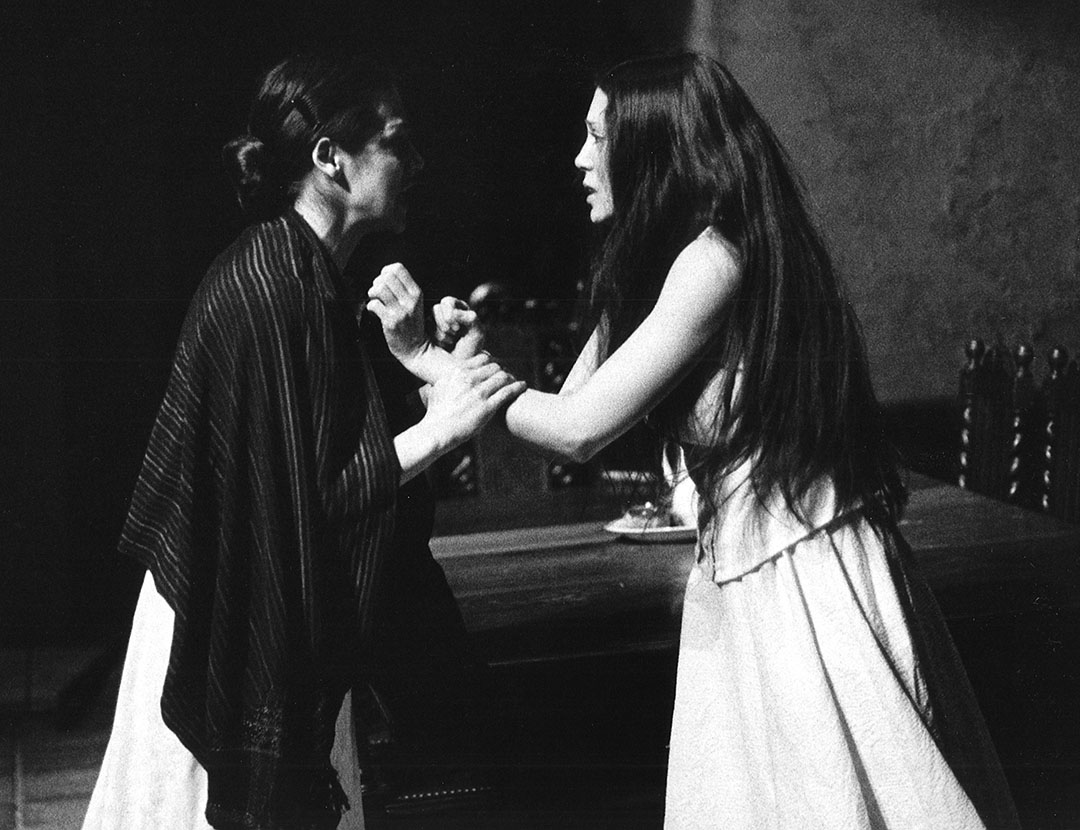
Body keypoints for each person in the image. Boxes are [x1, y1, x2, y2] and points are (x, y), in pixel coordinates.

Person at [497, 52, 1020, 829]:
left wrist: (449, 378)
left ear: (650, 147)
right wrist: (472, 366)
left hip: (802, 571)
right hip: (745, 569)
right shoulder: (655, 264)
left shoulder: (717, 259)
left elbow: (576, 432)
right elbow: (569, 407)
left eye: (596, 136)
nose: (579, 159)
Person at [82, 51, 523, 830]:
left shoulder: (302, 272)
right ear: (331, 159)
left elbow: (314, 441)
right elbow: (303, 500)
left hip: (240, 600)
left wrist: (411, 355)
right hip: (222, 618)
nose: (417, 161)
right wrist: (442, 424)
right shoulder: (272, 284)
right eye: (396, 141)